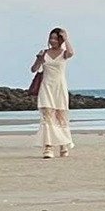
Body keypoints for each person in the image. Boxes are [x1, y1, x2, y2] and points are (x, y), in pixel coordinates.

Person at [32, 28, 74, 159]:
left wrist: (66, 38)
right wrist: (39, 59)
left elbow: (71, 53)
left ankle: (63, 145)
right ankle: (48, 147)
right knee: (47, 118)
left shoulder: (64, 53)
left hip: (59, 87)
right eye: (51, 38)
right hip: (46, 87)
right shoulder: (44, 53)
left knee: (61, 118)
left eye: (56, 38)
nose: (53, 41)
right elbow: (33, 69)